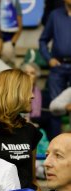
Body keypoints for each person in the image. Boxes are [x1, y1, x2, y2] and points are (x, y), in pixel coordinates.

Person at [0, 69, 42, 190]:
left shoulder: (30, 130)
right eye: (28, 91)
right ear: (13, 92)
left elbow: (32, 180)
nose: (32, 96)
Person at [39, 0, 71, 138]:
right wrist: (48, 59)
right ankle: (55, 144)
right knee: (55, 108)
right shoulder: (55, 15)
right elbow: (43, 40)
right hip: (58, 67)